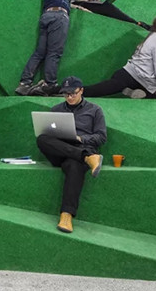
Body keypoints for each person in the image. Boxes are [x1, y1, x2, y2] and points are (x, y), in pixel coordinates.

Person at [36, 76, 106, 234]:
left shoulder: (95, 110)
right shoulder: (56, 110)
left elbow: (101, 137)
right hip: (61, 150)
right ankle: (87, 157)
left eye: (73, 93)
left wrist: (81, 138)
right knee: (42, 138)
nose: (69, 97)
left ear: (81, 91)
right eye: (66, 94)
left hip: (81, 147)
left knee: (74, 165)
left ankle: (66, 215)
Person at [14, 0, 80, 97]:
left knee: (40, 52)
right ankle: (50, 85)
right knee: (54, 53)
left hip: (47, 15)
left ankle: (25, 83)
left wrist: (70, 5)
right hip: (58, 17)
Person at [83, 13, 156, 100]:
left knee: (97, 89)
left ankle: (131, 91)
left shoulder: (152, 36)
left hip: (127, 75)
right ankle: (79, 91)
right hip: (136, 78)